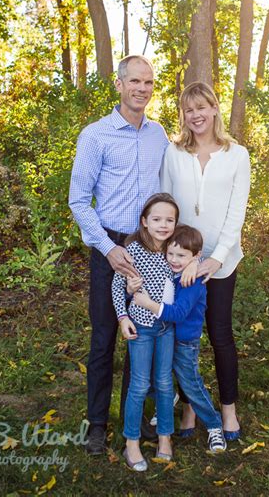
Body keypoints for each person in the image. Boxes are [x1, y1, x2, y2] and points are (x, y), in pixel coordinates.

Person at [68, 55, 169, 455]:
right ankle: (96, 424)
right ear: (119, 84)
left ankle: (134, 418)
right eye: (135, 82)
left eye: (148, 83)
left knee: (142, 333)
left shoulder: (158, 134)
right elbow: (78, 200)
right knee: (105, 337)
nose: (142, 89)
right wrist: (108, 249)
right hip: (109, 246)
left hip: (148, 249)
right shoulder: (95, 135)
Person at [160, 81, 251, 440]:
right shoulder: (174, 152)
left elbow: (236, 214)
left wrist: (214, 259)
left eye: (202, 107)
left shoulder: (236, 155)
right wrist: (180, 259)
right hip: (180, 264)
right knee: (183, 336)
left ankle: (228, 411)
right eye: (188, 109)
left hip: (221, 262)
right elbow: (166, 203)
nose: (196, 115)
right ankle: (189, 409)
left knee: (219, 334)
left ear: (214, 109)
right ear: (183, 114)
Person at [132, 224, 227, 453]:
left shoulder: (192, 281)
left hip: (184, 341)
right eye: (171, 253)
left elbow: (178, 313)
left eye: (181, 256)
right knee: (153, 377)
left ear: (195, 257)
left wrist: (148, 304)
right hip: (164, 335)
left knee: (191, 385)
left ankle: (214, 426)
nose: (174, 259)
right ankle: (169, 396)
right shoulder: (169, 270)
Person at [112, 193, 179, 471]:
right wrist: (122, 316)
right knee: (139, 385)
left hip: (167, 328)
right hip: (140, 326)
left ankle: (165, 437)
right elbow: (118, 286)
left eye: (170, 219)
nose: (163, 225)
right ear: (144, 221)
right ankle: (131, 442)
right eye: (157, 219)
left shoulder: (175, 249)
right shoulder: (134, 250)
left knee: (164, 383)